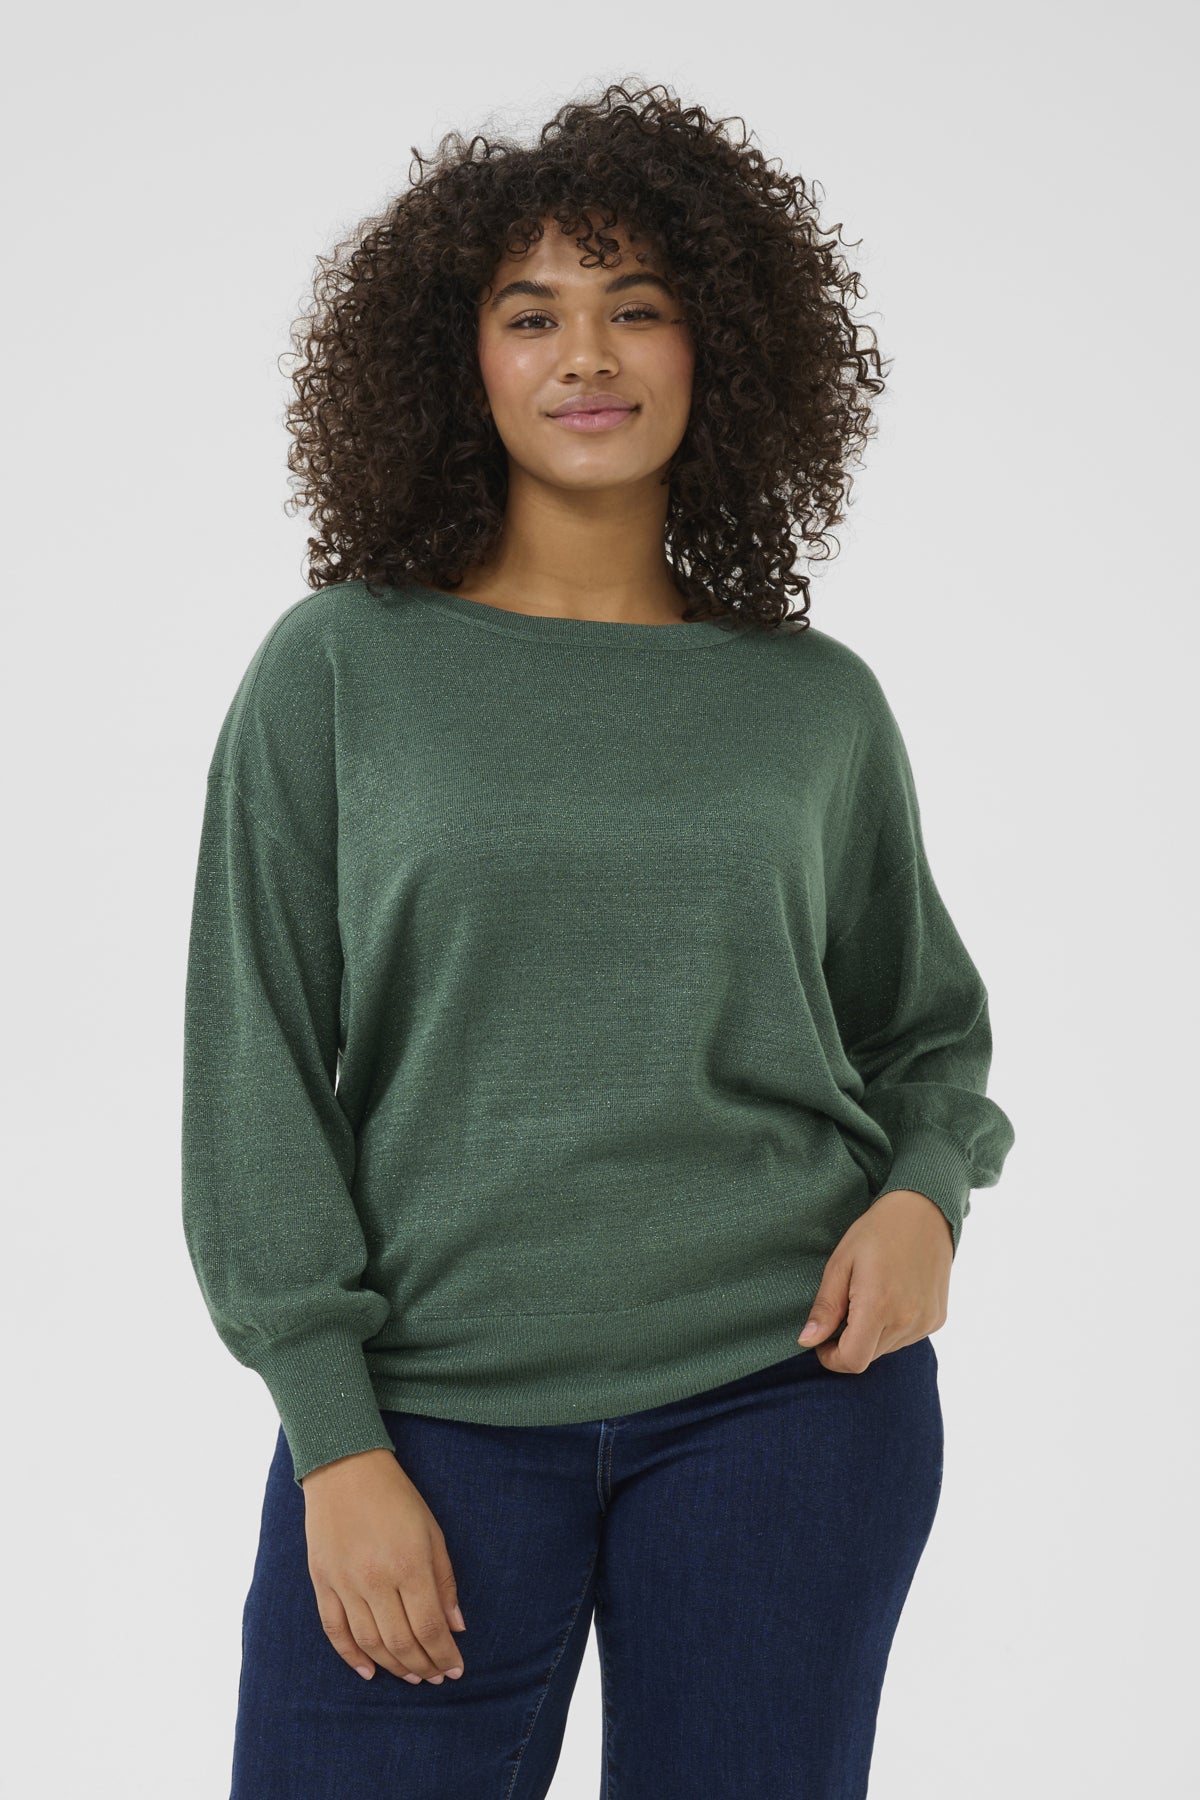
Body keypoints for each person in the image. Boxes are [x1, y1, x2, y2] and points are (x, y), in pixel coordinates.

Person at [181, 80, 1015, 1799]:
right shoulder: (338, 668)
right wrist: (334, 1441)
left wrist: (926, 1195)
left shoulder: (814, 704)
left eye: (637, 307)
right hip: (427, 1418)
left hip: (790, 1399)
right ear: (460, 361)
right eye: (531, 312)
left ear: (722, 350)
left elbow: (921, 1026)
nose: (587, 355)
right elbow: (253, 1066)